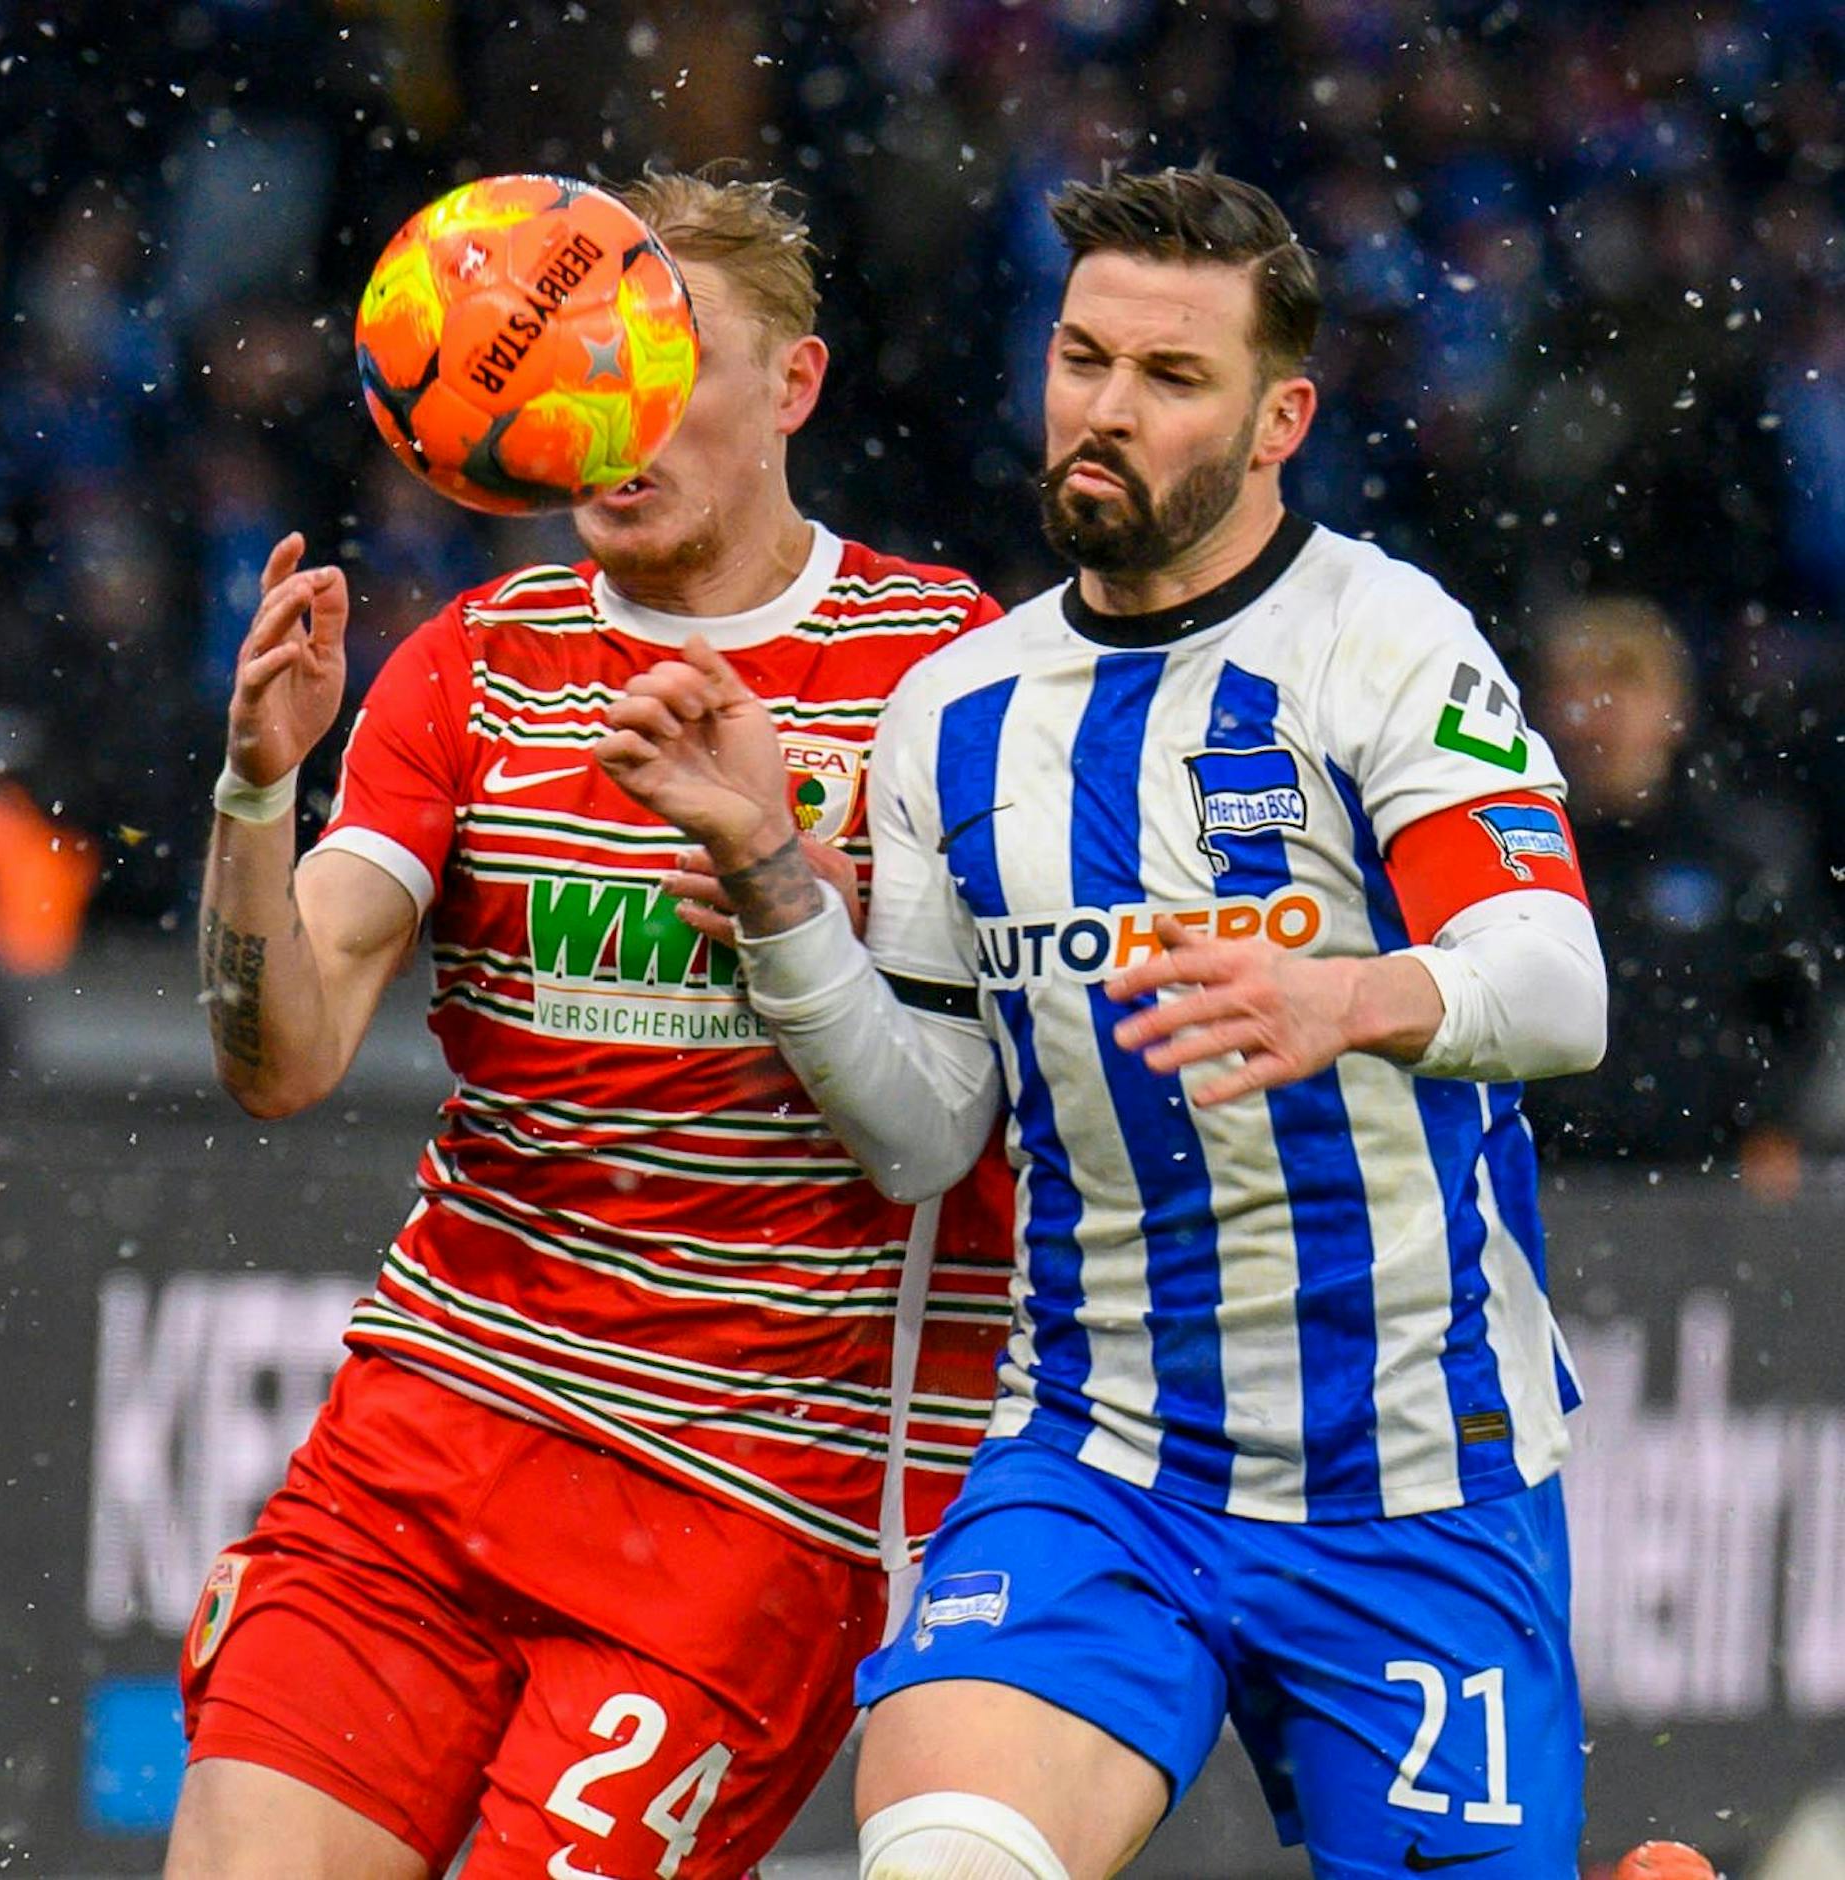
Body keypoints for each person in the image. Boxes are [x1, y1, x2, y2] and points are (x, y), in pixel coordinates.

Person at [597, 161, 1609, 1878]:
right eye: (1084, 362)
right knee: (941, 1856)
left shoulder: (1384, 643)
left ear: (1280, 416)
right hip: (1100, 1463)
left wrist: (1353, 994)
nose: (1105, 412)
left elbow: (1560, 988)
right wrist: (776, 882)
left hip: (1419, 1476)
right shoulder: (962, 712)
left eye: (1169, 379)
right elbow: (922, 1127)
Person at [170, 170, 1011, 1880]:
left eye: (662, 353)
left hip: (750, 1506)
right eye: (572, 346)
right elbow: (286, 1057)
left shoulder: (949, 672)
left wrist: (796, 891)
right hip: (429, 1441)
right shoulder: (474, 664)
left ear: (795, 389)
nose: (598, 399)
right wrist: (258, 786)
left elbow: (945, 1126)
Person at [1523, 595, 1824, 1194]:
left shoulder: (1742, 853)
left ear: (1674, 708)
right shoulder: (1518, 857)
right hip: (1553, 1179)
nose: (1597, 711)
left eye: (1623, 682)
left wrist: (1777, 1124)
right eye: (1574, 686)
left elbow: (1799, 1010)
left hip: (1709, 1183)